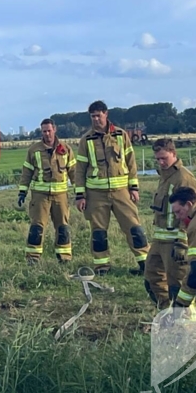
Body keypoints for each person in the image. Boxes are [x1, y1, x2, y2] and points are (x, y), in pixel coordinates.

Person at [74, 101, 148, 275]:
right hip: (96, 194)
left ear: (106, 114)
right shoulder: (86, 140)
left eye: (98, 115)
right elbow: (80, 170)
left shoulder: (121, 135)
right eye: (92, 116)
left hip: (122, 192)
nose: (95, 119)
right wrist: (80, 196)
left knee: (134, 228)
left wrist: (134, 187)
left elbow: (131, 163)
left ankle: (146, 264)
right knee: (98, 233)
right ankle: (102, 267)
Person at [145, 138, 196, 309]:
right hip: (159, 239)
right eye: (158, 159)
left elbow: (190, 212)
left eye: (164, 158)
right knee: (151, 277)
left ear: (174, 154)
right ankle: (166, 312)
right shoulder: (165, 176)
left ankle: (187, 322)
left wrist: (182, 241)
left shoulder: (183, 178)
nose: (161, 162)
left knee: (178, 284)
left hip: (175, 242)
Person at [18, 119, 76, 264]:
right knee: (37, 227)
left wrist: (80, 193)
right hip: (40, 196)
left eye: (49, 130)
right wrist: (22, 192)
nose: (47, 134)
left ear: (54, 129)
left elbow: (74, 172)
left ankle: (64, 258)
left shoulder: (66, 149)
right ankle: (33, 259)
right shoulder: (33, 150)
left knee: (63, 227)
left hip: (61, 196)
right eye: (44, 131)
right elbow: (27, 173)